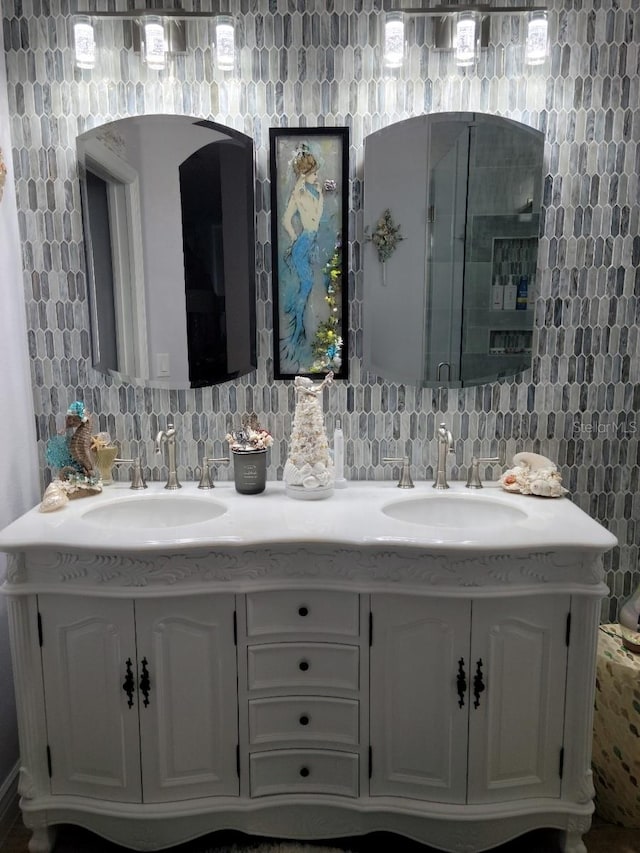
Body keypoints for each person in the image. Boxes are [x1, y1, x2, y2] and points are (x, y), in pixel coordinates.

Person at [281, 146, 324, 362]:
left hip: (310, 243)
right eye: (314, 173)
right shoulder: (298, 194)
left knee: (305, 287)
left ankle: (298, 326)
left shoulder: (314, 190)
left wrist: (316, 189)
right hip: (303, 243)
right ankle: (298, 330)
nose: (317, 177)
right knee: (306, 286)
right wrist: (294, 238)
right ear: (305, 174)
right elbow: (286, 220)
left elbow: (317, 217)